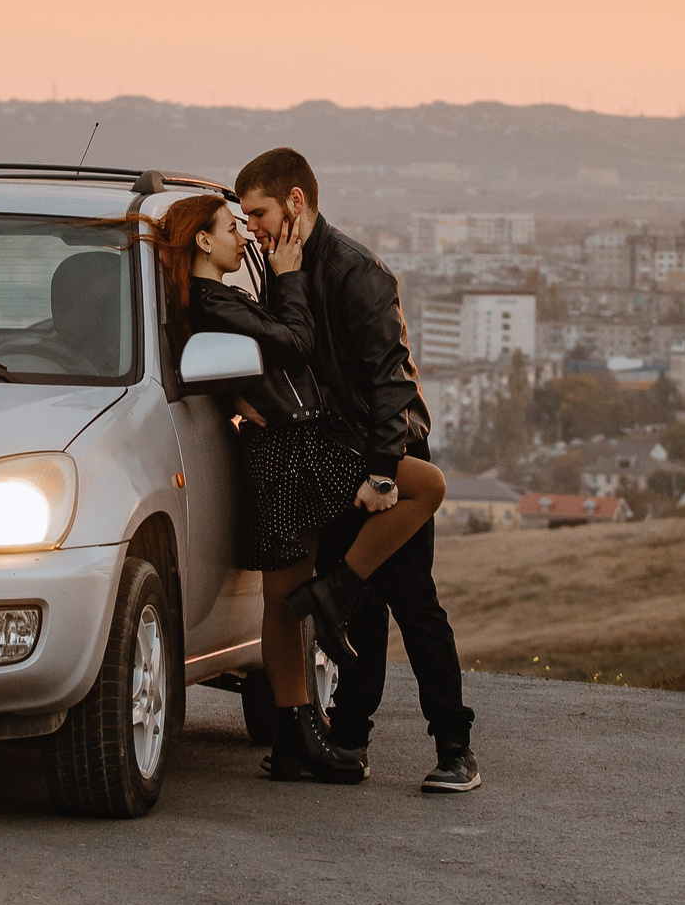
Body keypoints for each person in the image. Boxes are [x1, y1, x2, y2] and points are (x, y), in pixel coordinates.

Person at [233, 147, 478, 794]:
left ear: (294, 202)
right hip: (333, 460)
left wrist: (381, 474)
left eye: (257, 212)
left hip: (385, 458)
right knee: (358, 611)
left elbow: (393, 380)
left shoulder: (357, 271)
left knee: (414, 604)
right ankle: (347, 740)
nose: (251, 226)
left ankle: (455, 747)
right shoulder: (282, 265)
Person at [154, 192, 366, 782]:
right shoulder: (212, 302)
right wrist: (292, 277)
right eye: (231, 227)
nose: (243, 236)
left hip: (295, 440)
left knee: (285, 597)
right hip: (289, 449)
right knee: (286, 598)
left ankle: (301, 730)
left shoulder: (226, 294)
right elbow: (296, 344)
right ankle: (330, 611)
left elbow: (264, 354)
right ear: (202, 240)